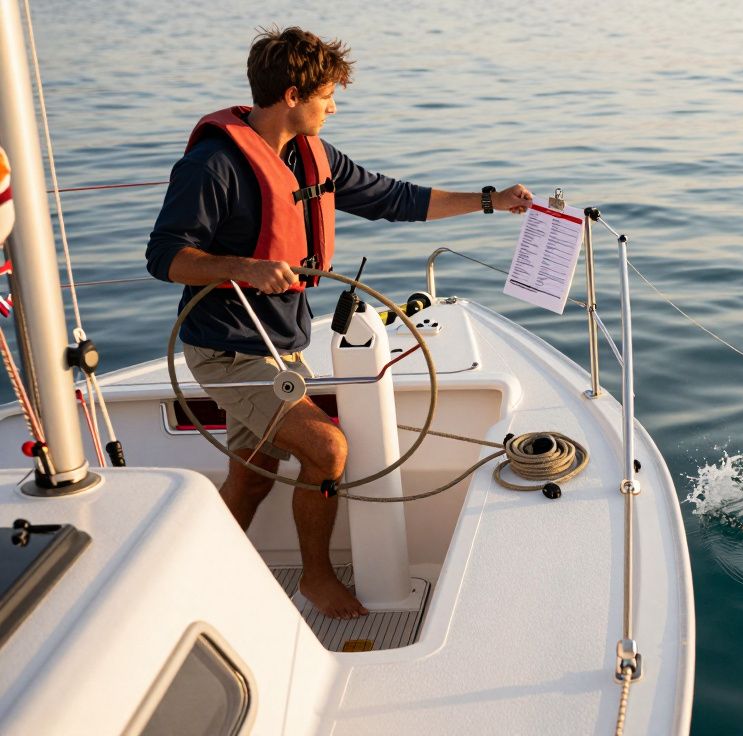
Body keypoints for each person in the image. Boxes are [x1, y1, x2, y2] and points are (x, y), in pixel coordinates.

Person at [146, 27, 532, 619]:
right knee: (327, 449)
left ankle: (186, 579)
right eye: (329, 95)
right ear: (294, 94)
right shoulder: (213, 165)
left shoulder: (312, 156)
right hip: (224, 349)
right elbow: (165, 257)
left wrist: (489, 201)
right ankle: (316, 578)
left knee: (254, 476)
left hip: (282, 347)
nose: (335, 106)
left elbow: (396, 198)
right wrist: (244, 267)